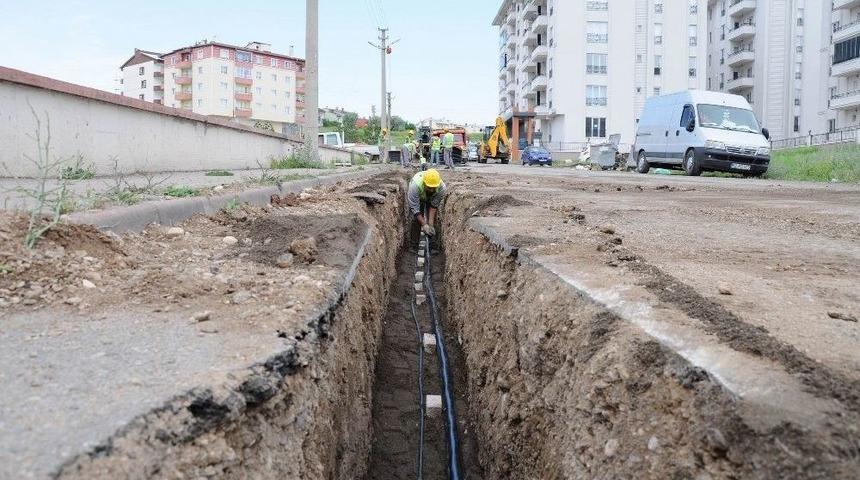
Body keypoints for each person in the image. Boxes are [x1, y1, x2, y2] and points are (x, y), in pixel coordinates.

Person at [407, 168, 446, 237]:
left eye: (434, 188)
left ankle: (432, 241)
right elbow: (415, 208)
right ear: (424, 183)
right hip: (419, 197)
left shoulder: (441, 188)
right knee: (416, 220)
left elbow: (434, 205)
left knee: (433, 220)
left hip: (432, 198)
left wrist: (430, 225)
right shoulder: (415, 185)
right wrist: (424, 224)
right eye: (429, 187)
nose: (431, 190)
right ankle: (414, 245)